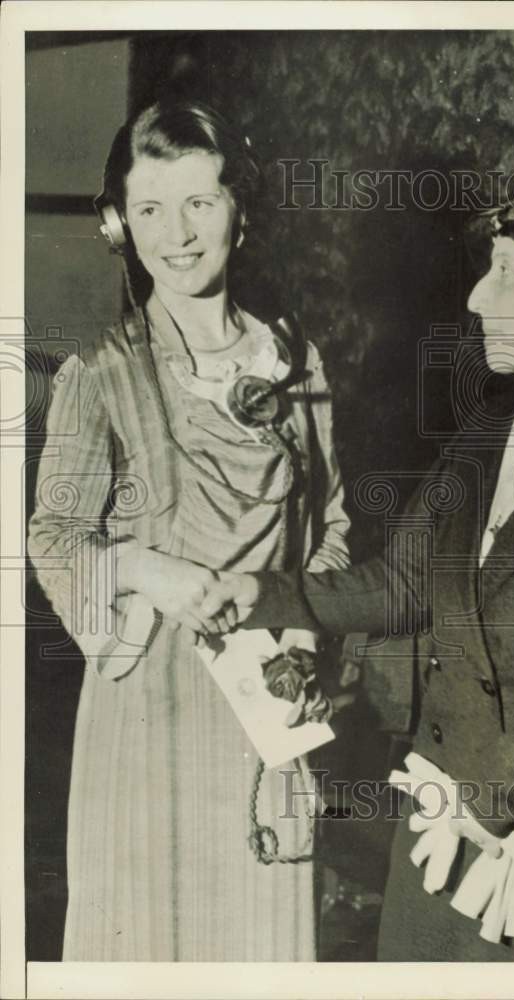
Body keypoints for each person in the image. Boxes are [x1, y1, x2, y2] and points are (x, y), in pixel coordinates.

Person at [196, 191, 514, 961]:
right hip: (436, 816)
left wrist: (501, 782)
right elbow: (401, 585)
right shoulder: (486, 436)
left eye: (502, 272)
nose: (476, 297)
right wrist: (263, 594)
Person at [27, 100, 350, 961]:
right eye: (150, 209)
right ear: (118, 225)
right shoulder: (100, 376)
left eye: (199, 203)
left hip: (267, 712)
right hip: (150, 714)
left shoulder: (297, 361)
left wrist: (301, 649)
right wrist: (141, 567)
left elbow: (333, 528)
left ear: (239, 212)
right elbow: (53, 539)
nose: (177, 233)